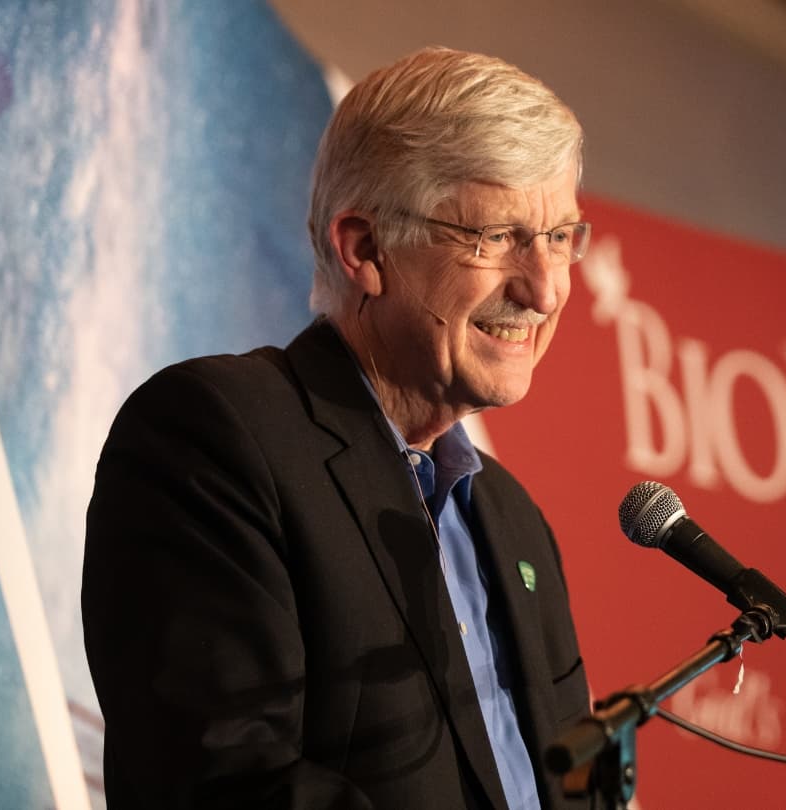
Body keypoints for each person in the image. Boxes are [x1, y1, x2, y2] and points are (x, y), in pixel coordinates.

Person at [83, 46, 593, 809]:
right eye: (496, 238)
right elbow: (228, 782)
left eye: (560, 236)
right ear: (364, 249)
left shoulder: (515, 523)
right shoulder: (213, 439)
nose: (546, 289)